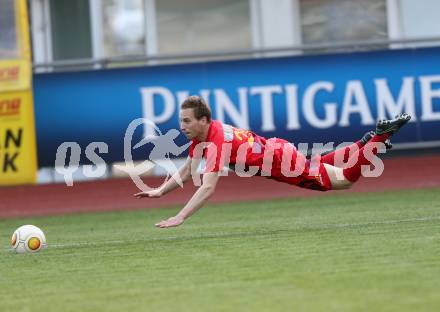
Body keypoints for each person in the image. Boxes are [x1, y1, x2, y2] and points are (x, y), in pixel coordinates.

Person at [134, 96, 411, 228]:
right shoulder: (206, 136)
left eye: (186, 121)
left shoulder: (216, 142)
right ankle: (365, 143)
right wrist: (161, 190)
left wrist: (180, 216)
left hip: (280, 163)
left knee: (343, 181)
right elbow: (187, 170)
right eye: (180, 121)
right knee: (322, 166)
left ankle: (378, 138)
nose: (181, 126)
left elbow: (207, 187)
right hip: (280, 149)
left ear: (203, 120)